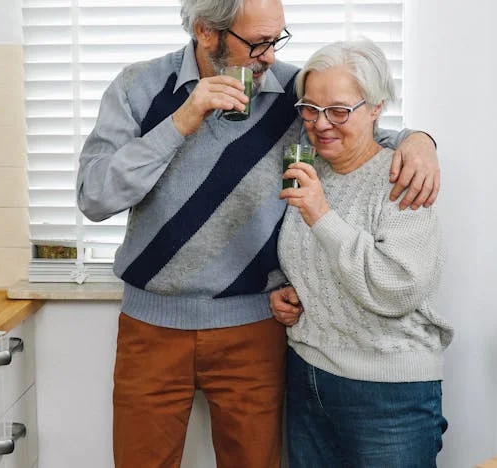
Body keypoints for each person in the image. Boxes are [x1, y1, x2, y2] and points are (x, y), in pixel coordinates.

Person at [76, 0, 440, 465]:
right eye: (259, 43)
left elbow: (352, 129)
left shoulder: (293, 91)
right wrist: (183, 119)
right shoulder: (138, 86)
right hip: (151, 328)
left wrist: (418, 141)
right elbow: (94, 197)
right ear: (207, 32)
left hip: (254, 328)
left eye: (277, 39)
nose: (270, 55)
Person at [270, 37, 454, 468]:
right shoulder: (313, 170)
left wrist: (321, 215)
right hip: (308, 373)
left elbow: (396, 290)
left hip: (386, 391)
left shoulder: (400, 177)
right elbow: (317, 262)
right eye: (310, 110)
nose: (320, 123)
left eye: (338, 110)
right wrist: (292, 292)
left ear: (376, 108)